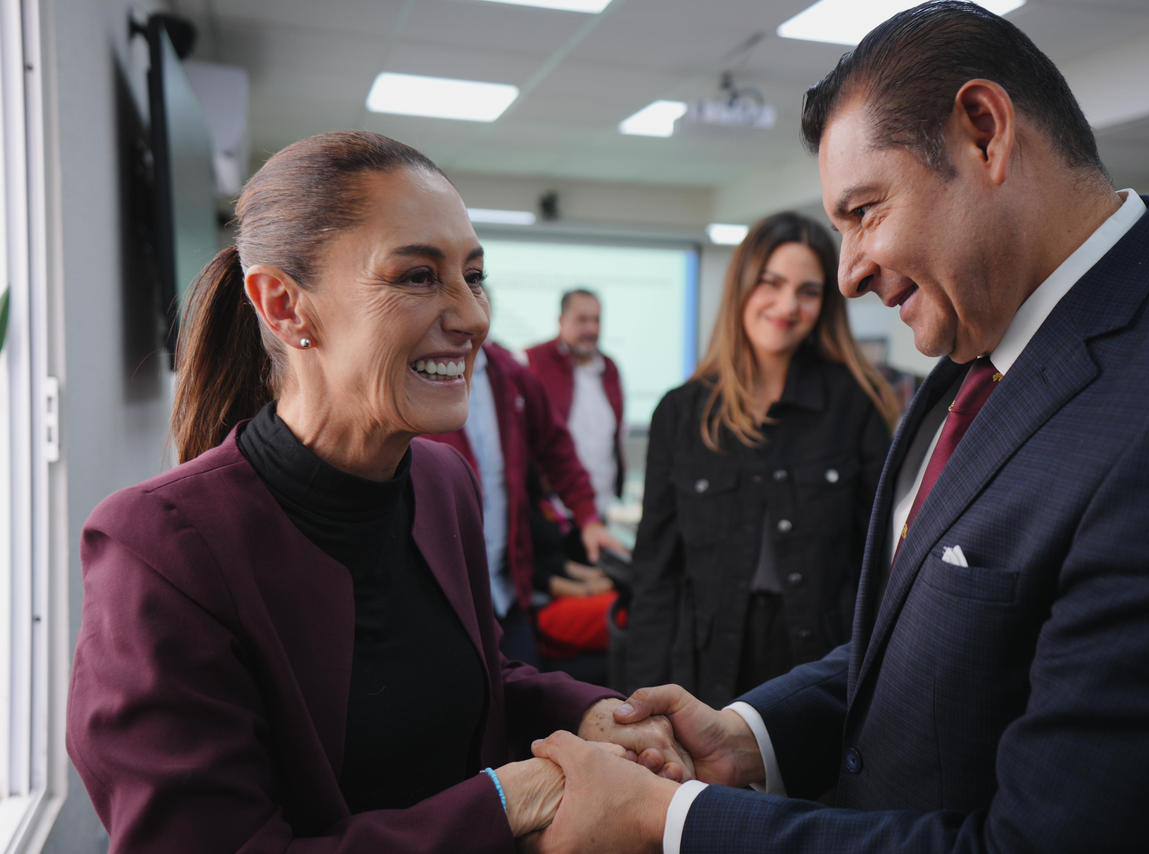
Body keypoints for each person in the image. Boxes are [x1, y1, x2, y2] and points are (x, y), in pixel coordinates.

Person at [520, 3, 1149, 852]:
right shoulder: (974, 347)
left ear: (984, 134)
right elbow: (918, 648)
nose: (847, 276)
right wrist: (751, 737)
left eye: (865, 211)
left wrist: (671, 820)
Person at [64, 131, 688, 852]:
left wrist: (589, 714)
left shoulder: (443, 482)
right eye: (418, 277)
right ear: (283, 306)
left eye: (473, 276)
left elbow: (474, 680)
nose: (473, 316)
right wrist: (506, 801)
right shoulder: (158, 548)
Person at [625, 211, 899, 709]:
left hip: (820, 669)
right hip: (705, 667)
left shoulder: (855, 407)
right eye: (771, 283)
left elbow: (879, 567)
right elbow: (655, 576)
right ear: (742, 286)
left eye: (808, 291)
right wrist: (637, 704)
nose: (787, 306)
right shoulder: (682, 413)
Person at [428, 336, 623, 666]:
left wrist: (588, 517)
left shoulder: (510, 374)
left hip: (506, 592)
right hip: (442, 596)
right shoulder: (417, 375)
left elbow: (556, 447)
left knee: (521, 686)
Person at [525, 289, 626, 517]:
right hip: (551, 510)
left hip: (601, 506)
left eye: (596, 320)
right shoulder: (535, 361)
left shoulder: (609, 369)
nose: (591, 329)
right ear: (561, 321)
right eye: (582, 320)